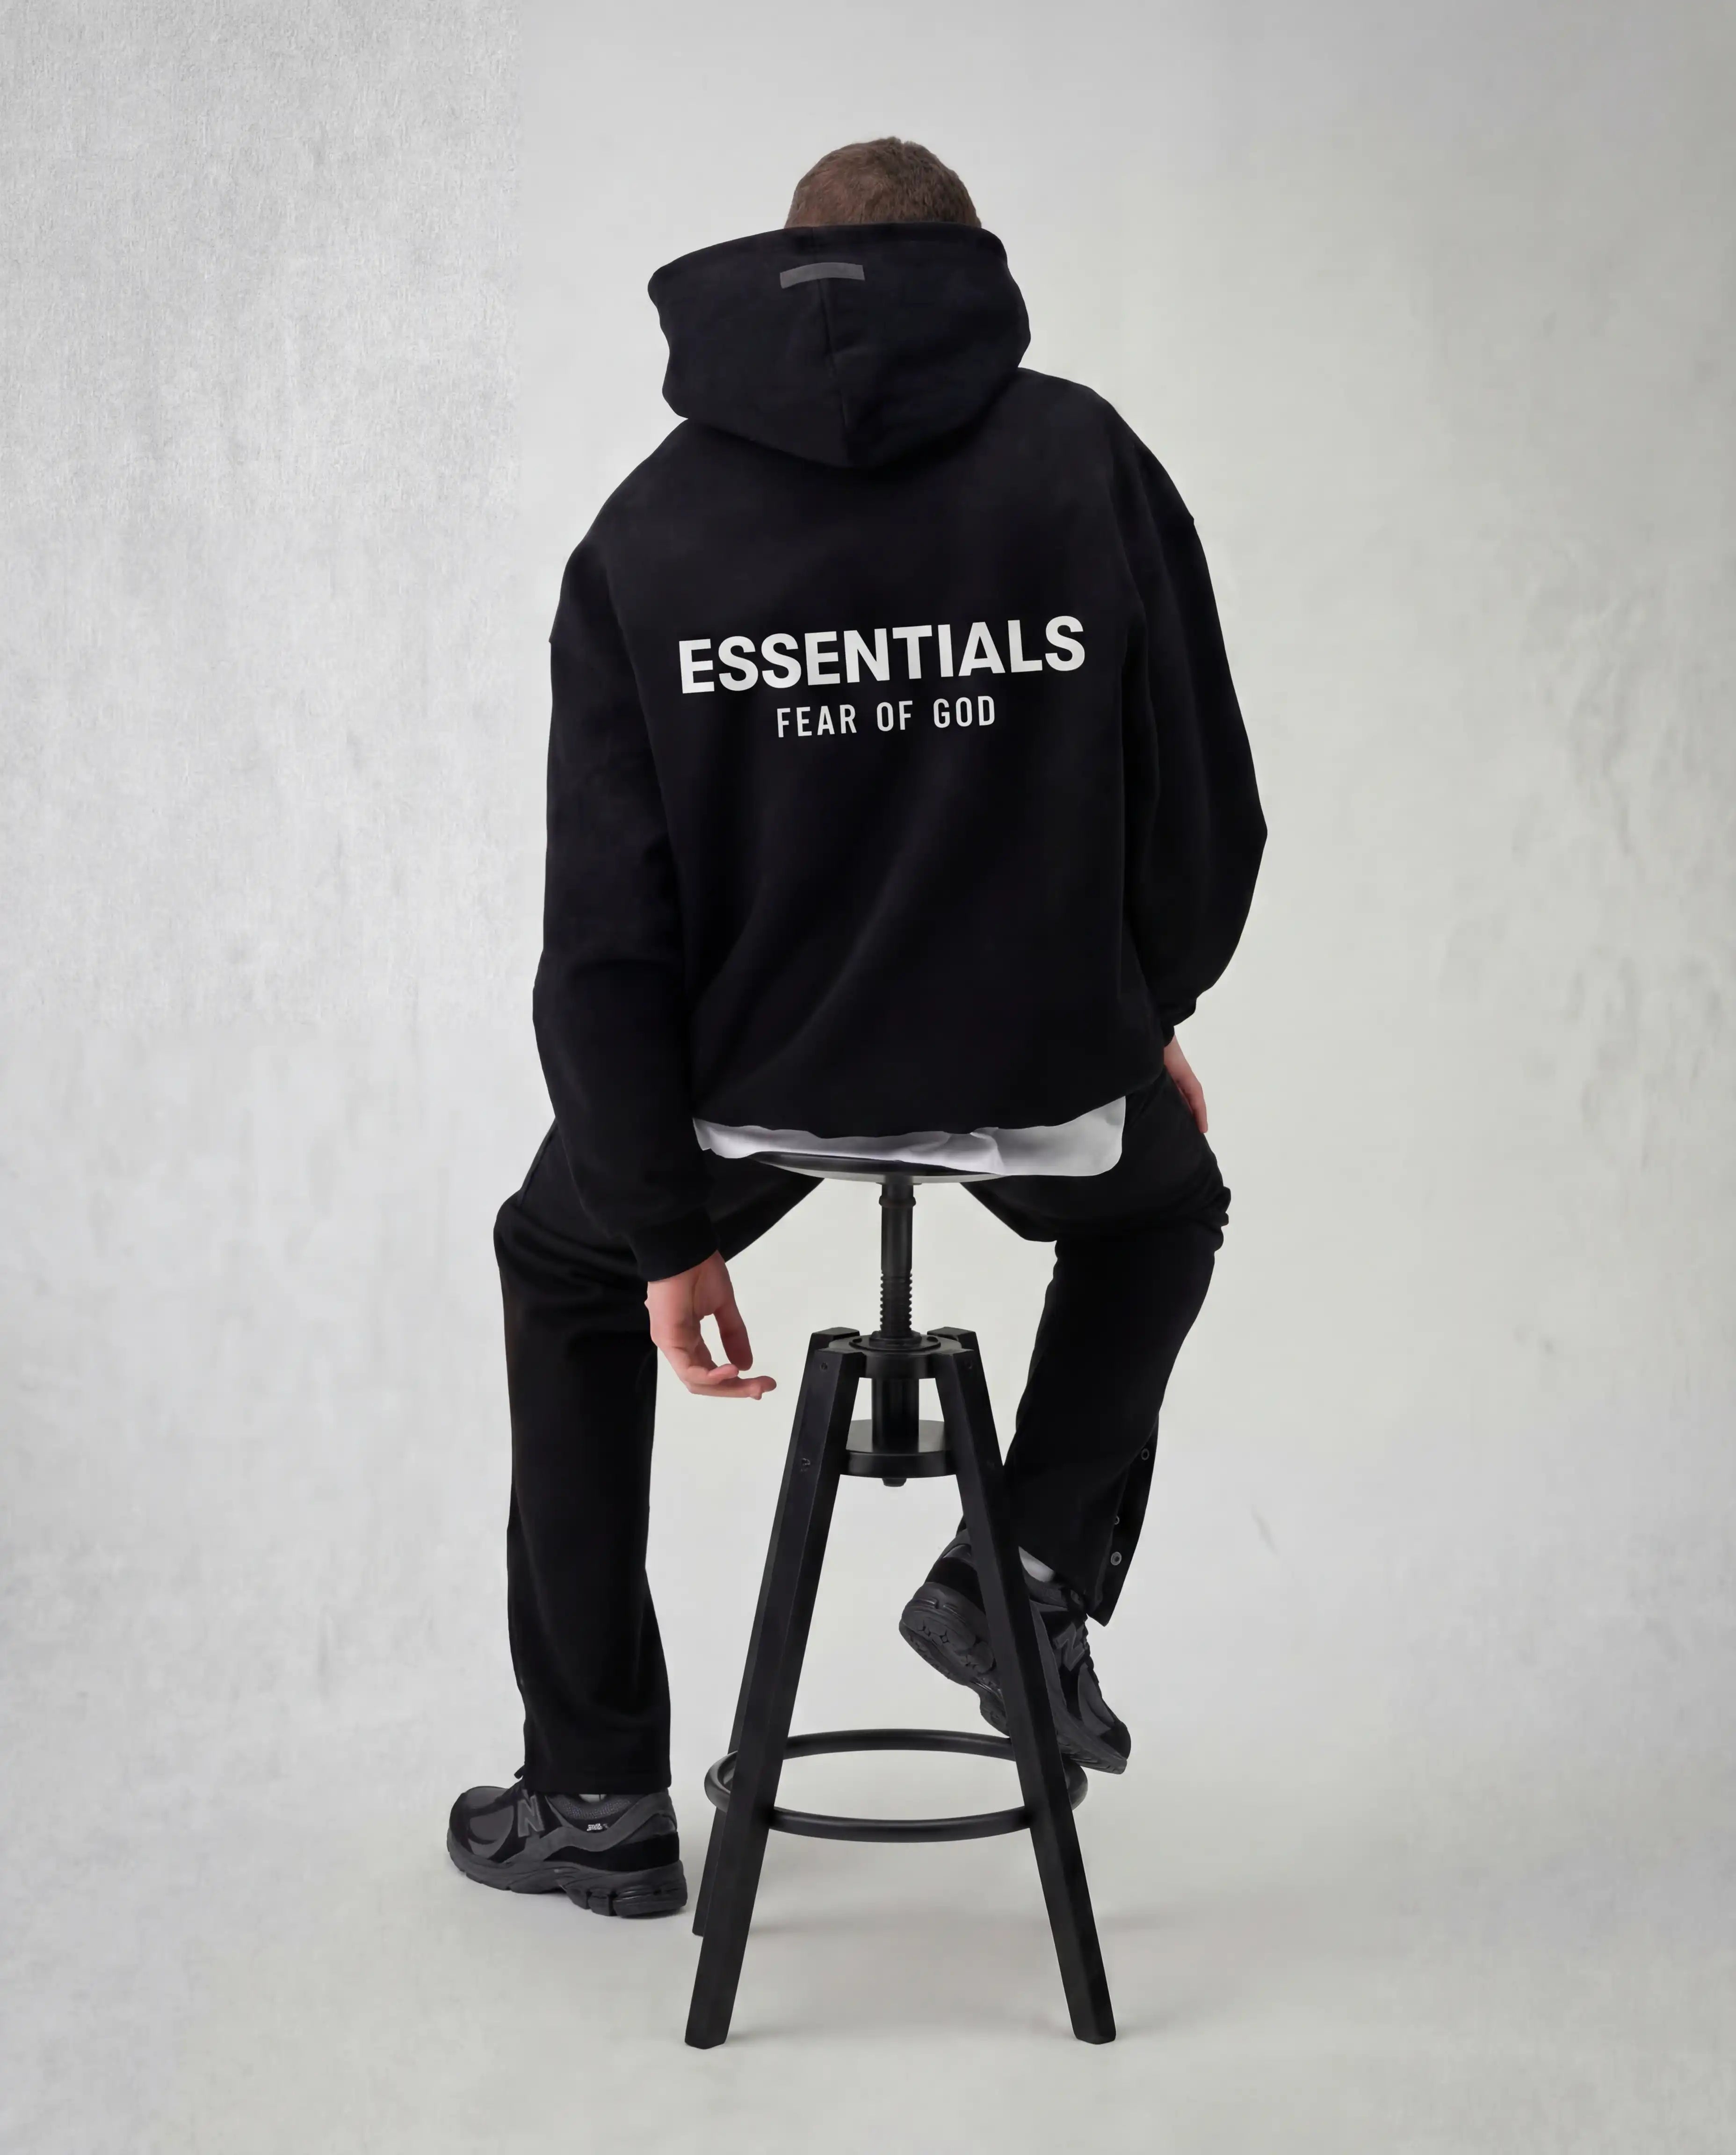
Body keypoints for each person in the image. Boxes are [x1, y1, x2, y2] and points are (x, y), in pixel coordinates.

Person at [448, 138, 1265, 1918]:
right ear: (969, 270)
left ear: (786, 264)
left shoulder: (649, 528)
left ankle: (593, 1792)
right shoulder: (1084, 462)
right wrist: (1143, 1014)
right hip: (1040, 1066)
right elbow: (1205, 802)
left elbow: (605, 931)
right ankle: (1019, 1573)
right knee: (1166, 1210)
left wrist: (663, 1231)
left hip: (753, 1082)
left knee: (564, 1268)